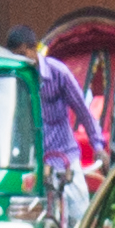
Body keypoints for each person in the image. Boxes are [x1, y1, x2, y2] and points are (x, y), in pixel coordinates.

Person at [8, 23, 99, 181]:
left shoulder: (58, 73)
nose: (20, 61)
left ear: (34, 49)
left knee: (79, 204)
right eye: (16, 57)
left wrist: (97, 146)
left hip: (65, 159)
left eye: (23, 54)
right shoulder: (12, 79)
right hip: (33, 163)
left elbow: (82, 110)